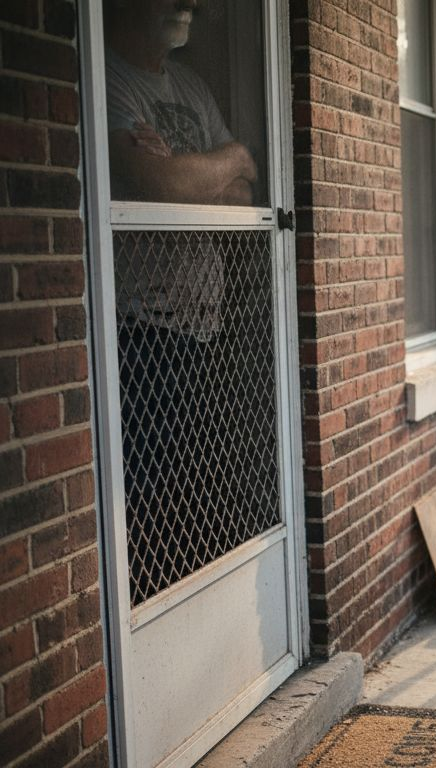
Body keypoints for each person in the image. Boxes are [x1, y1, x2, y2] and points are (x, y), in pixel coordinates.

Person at [104, 0, 262, 602]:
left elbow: (248, 195)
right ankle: (147, 605)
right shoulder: (109, 77)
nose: (189, 5)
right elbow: (161, 186)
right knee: (146, 493)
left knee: (193, 487)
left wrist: (215, 171)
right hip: (142, 324)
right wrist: (227, 160)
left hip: (203, 324)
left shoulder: (189, 85)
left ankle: (187, 601)